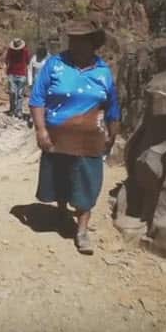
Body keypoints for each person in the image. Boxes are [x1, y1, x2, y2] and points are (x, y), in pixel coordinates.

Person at [28, 19, 121, 255]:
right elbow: (37, 98)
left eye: (82, 40)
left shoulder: (103, 71)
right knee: (60, 176)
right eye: (73, 40)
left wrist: (113, 132)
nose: (76, 44)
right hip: (58, 136)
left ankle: (81, 230)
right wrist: (41, 130)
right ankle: (60, 212)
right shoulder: (54, 64)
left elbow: (113, 105)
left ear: (93, 43)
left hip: (91, 139)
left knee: (88, 182)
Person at [4, 38, 29, 118]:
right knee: (12, 93)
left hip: (22, 74)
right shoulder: (10, 50)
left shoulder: (25, 51)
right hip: (12, 73)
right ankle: (12, 109)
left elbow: (28, 61)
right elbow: (6, 60)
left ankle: (18, 110)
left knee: (20, 94)